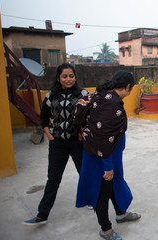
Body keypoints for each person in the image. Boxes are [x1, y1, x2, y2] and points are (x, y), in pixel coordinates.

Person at [74, 71, 140, 240]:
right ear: (126, 87)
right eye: (130, 89)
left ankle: (120, 213)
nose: (130, 92)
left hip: (108, 154)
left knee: (114, 185)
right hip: (102, 157)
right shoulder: (111, 104)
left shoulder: (102, 95)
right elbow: (103, 138)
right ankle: (106, 229)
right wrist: (108, 167)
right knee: (102, 192)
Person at [23, 63, 89, 226]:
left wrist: (83, 135)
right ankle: (42, 215)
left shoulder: (83, 94)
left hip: (77, 143)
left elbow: (90, 116)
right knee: (53, 178)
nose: (68, 79)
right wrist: (48, 134)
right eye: (64, 76)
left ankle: (89, 199)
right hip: (58, 143)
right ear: (58, 78)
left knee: (85, 173)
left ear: (75, 77)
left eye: (71, 76)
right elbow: (44, 117)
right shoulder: (51, 96)